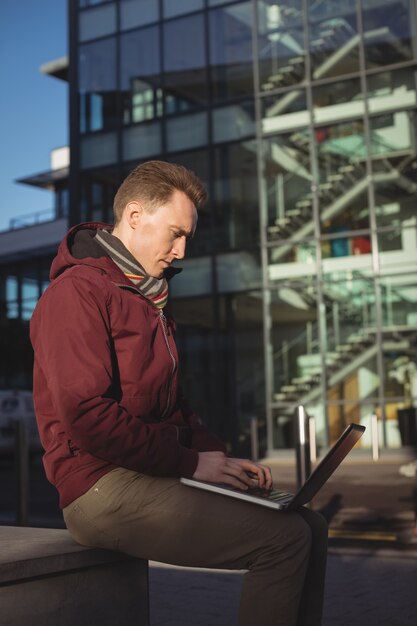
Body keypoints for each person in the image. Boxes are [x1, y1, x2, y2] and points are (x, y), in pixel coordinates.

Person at [30, 160, 327, 626]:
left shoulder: (148, 298)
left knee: (310, 524)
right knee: (283, 540)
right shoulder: (77, 294)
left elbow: (176, 408)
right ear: (133, 216)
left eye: (186, 236)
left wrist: (218, 460)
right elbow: (86, 415)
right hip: (98, 485)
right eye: (174, 233)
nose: (180, 250)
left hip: (147, 472)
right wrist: (191, 464)